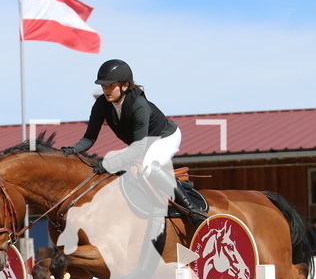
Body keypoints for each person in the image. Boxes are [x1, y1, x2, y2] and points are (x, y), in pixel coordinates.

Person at [60, 59, 207, 227]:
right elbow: (89, 138)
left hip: (165, 137)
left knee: (149, 166)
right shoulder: (102, 105)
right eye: (103, 86)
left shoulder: (138, 105)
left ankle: (194, 211)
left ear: (125, 85)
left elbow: (138, 148)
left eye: (110, 85)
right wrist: (72, 150)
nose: (106, 90)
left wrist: (108, 164)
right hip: (142, 143)